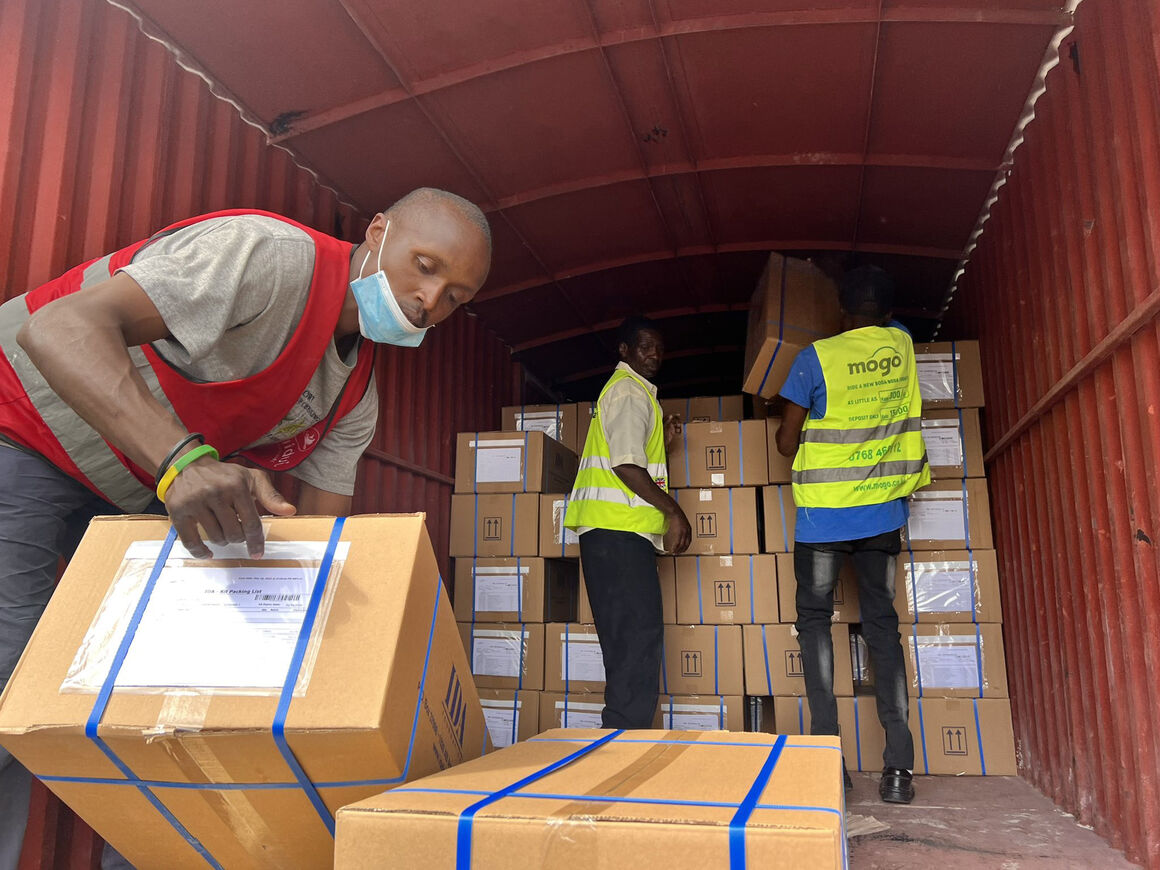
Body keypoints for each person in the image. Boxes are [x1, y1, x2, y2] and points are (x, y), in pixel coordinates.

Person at [0, 188, 491, 869]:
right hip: (19, 430)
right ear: (378, 231)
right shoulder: (269, 257)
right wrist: (185, 459)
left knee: (154, 696)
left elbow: (322, 547)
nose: (430, 302)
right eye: (426, 266)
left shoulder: (353, 397)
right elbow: (56, 329)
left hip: (124, 488)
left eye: (456, 298)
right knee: (9, 670)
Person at [774, 266, 930, 804]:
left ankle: (826, 761)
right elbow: (891, 324)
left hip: (823, 520)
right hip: (882, 519)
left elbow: (785, 443)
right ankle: (898, 773)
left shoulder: (814, 359)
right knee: (882, 628)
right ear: (887, 315)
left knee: (816, 625)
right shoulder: (902, 345)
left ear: (841, 313)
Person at [563, 316, 692, 729]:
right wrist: (674, 511)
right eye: (644, 347)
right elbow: (625, 466)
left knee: (629, 640)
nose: (654, 355)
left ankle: (621, 733)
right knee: (636, 639)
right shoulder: (629, 393)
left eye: (658, 348)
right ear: (624, 351)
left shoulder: (636, 395)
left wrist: (665, 445)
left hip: (613, 533)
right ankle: (623, 736)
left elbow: (633, 458)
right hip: (615, 532)